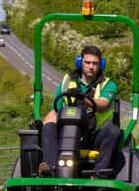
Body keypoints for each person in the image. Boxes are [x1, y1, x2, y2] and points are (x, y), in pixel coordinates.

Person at [39, 45, 120, 178]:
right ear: (80, 62)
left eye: (95, 63)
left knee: (114, 132)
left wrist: (83, 99)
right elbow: (56, 110)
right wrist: (46, 124)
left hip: (94, 135)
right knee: (48, 127)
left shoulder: (108, 84)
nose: (91, 66)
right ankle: (51, 169)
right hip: (67, 133)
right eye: (87, 62)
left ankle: (99, 175)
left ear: (100, 65)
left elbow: (104, 104)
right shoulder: (67, 81)